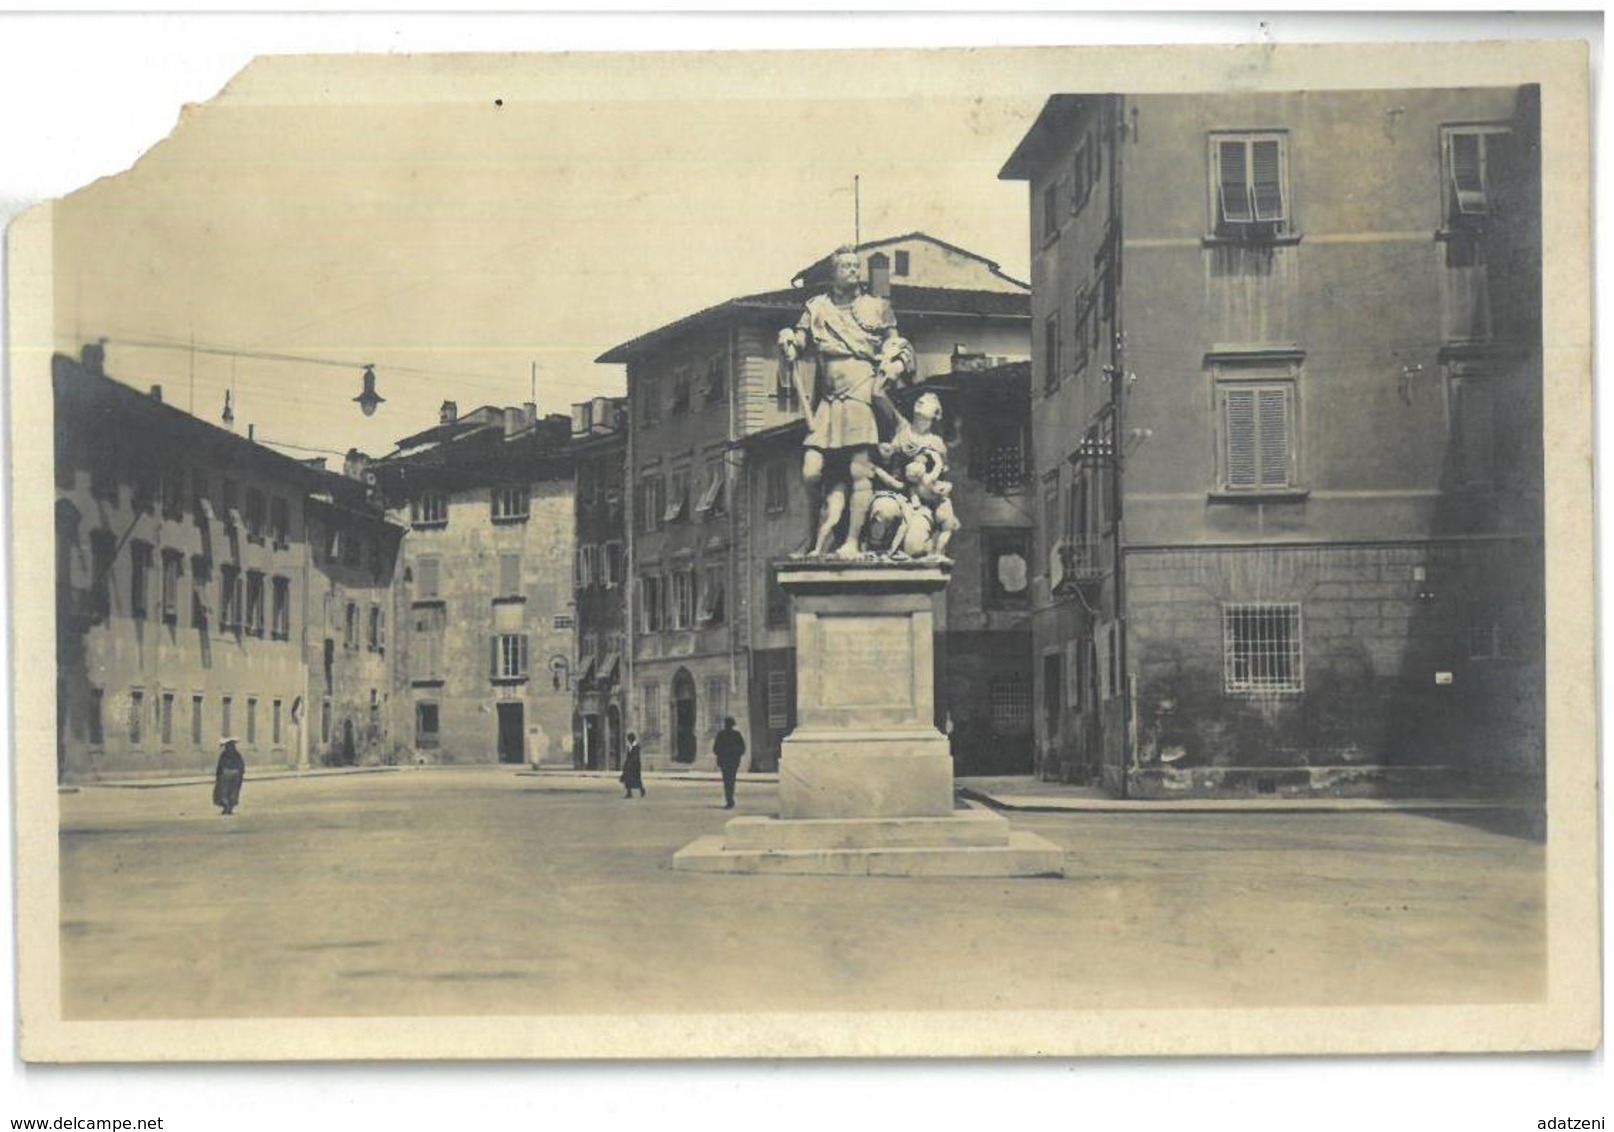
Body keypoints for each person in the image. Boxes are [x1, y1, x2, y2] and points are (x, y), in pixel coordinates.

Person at [778, 246, 916, 559]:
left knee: (860, 470)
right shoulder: (816, 308)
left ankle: (852, 541)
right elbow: (800, 342)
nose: (853, 271)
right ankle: (819, 533)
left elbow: (899, 345)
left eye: (856, 266)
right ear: (833, 273)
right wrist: (788, 337)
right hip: (828, 400)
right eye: (846, 267)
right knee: (812, 471)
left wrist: (895, 363)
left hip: (861, 392)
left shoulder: (878, 306)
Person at [712, 717, 747, 809]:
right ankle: (730, 799)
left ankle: (729, 800)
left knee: (727, 781)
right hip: (732, 761)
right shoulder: (736, 734)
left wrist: (723, 753)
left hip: (726, 761)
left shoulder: (721, 734)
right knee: (731, 781)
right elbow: (742, 748)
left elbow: (715, 749)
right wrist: (735, 754)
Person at [212, 737, 245, 816]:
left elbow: (220, 766)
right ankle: (230, 807)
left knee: (224, 790)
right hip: (236, 773)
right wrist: (241, 774)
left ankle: (226, 806)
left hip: (226, 773)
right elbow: (242, 765)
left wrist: (218, 776)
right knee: (234, 790)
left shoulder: (224, 754)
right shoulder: (237, 754)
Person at [619, 731, 645, 799]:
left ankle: (642, 790)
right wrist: (626, 765)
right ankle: (629, 793)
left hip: (635, 766)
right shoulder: (629, 747)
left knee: (636, 779)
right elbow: (628, 757)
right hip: (629, 765)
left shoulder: (636, 746)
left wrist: (631, 764)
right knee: (627, 779)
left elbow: (636, 757)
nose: (628, 741)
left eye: (629, 739)